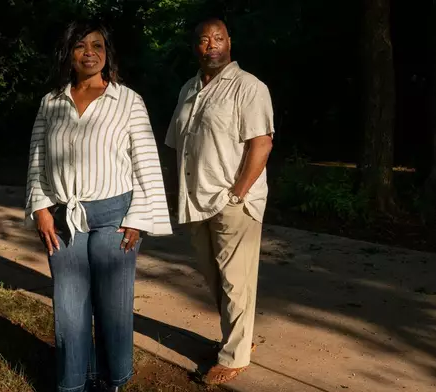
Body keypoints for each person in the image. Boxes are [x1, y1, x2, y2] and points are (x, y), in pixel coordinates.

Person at [24, 20, 172, 392]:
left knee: (113, 308)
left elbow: (147, 162)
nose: (89, 52)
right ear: (68, 54)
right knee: (70, 308)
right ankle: (74, 382)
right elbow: (37, 158)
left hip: (116, 216)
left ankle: (112, 380)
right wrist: (41, 207)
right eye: (80, 45)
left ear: (107, 54)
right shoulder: (51, 102)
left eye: (98, 45)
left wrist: (139, 218)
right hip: (63, 218)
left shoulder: (127, 100)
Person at [164, 17, 275, 385]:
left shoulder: (249, 87)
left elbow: (262, 144)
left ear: (229, 41)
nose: (210, 44)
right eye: (203, 39)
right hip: (195, 201)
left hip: (232, 200)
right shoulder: (188, 90)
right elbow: (175, 147)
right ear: (195, 47)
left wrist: (237, 194)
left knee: (235, 281)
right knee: (215, 279)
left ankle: (234, 356)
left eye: (218, 38)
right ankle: (236, 337)